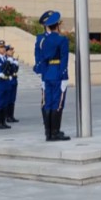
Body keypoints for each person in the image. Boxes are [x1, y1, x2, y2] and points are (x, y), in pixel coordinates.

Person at [39, 11, 71, 141]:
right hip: (58, 72)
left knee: (48, 103)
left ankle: (48, 133)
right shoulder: (62, 39)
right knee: (58, 103)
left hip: (48, 73)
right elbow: (64, 58)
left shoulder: (44, 40)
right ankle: (55, 132)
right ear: (57, 25)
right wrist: (64, 75)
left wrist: (44, 75)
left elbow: (43, 59)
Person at [34, 10, 55, 138]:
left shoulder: (58, 37)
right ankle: (48, 128)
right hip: (47, 72)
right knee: (47, 99)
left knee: (56, 100)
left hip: (57, 72)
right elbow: (38, 56)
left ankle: (54, 127)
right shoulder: (41, 38)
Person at [4, 45, 20, 123]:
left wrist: (15, 64)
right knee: (7, 99)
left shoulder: (13, 60)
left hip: (13, 81)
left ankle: (11, 116)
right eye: (10, 50)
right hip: (7, 81)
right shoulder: (5, 60)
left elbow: (15, 70)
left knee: (12, 100)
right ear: (6, 51)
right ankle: (7, 116)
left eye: (12, 50)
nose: (12, 52)